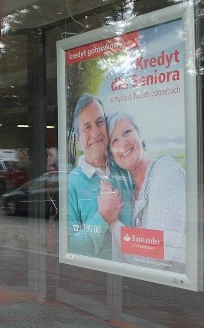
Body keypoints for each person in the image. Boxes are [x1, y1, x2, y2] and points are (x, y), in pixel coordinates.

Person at [106, 111, 186, 271]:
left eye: (127, 132)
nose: (122, 143)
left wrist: (112, 222)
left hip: (171, 291)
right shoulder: (126, 190)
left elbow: (157, 253)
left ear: (140, 135)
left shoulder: (166, 171)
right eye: (114, 140)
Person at [67, 94, 133, 259]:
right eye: (87, 127)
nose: (95, 132)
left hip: (133, 276)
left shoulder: (124, 170)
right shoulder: (71, 182)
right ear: (78, 139)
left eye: (99, 122)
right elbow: (71, 248)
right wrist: (103, 216)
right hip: (96, 280)